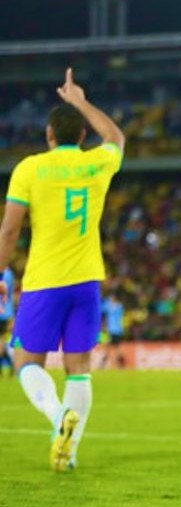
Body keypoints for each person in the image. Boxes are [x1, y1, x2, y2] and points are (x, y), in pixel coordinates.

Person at [0, 68, 125, 472]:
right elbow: (117, 138)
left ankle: (58, 419)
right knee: (79, 369)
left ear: (49, 137)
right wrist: (80, 101)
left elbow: (9, 232)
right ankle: (67, 453)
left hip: (45, 281)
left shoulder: (30, 169)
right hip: (87, 281)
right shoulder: (96, 165)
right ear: (82, 137)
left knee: (25, 362)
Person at [100, 294, 125, 369]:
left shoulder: (111, 307)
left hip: (111, 330)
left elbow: (101, 308)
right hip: (118, 330)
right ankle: (119, 365)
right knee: (116, 347)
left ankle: (103, 364)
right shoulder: (120, 307)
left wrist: (106, 301)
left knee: (107, 347)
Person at [0, 267, 14, 376]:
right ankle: (12, 363)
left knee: (2, 341)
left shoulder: (5, 273)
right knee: (4, 341)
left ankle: (12, 363)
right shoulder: (9, 273)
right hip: (7, 311)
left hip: (2, 312)